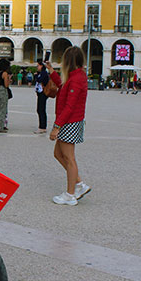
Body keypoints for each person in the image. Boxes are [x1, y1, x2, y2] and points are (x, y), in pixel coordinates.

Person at [48, 46, 90, 205]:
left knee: (69, 158)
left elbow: (70, 106)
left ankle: (70, 194)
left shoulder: (77, 78)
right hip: (69, 121)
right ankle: (79, 184)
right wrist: (51, 71)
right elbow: (63, 86)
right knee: (58, 154)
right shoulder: (75, 76)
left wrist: (57, 127)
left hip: (70, 122)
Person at [34, 59, 50, 134]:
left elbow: (40, 80)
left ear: (42, 66)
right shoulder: (41, 73)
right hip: (40, 93)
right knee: (40, 109)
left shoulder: (43, 73)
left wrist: (36, 75)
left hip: (43, 93)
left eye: (38, 65)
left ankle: (43, 127)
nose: (37, 67)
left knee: (41, 109)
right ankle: (42, 126)